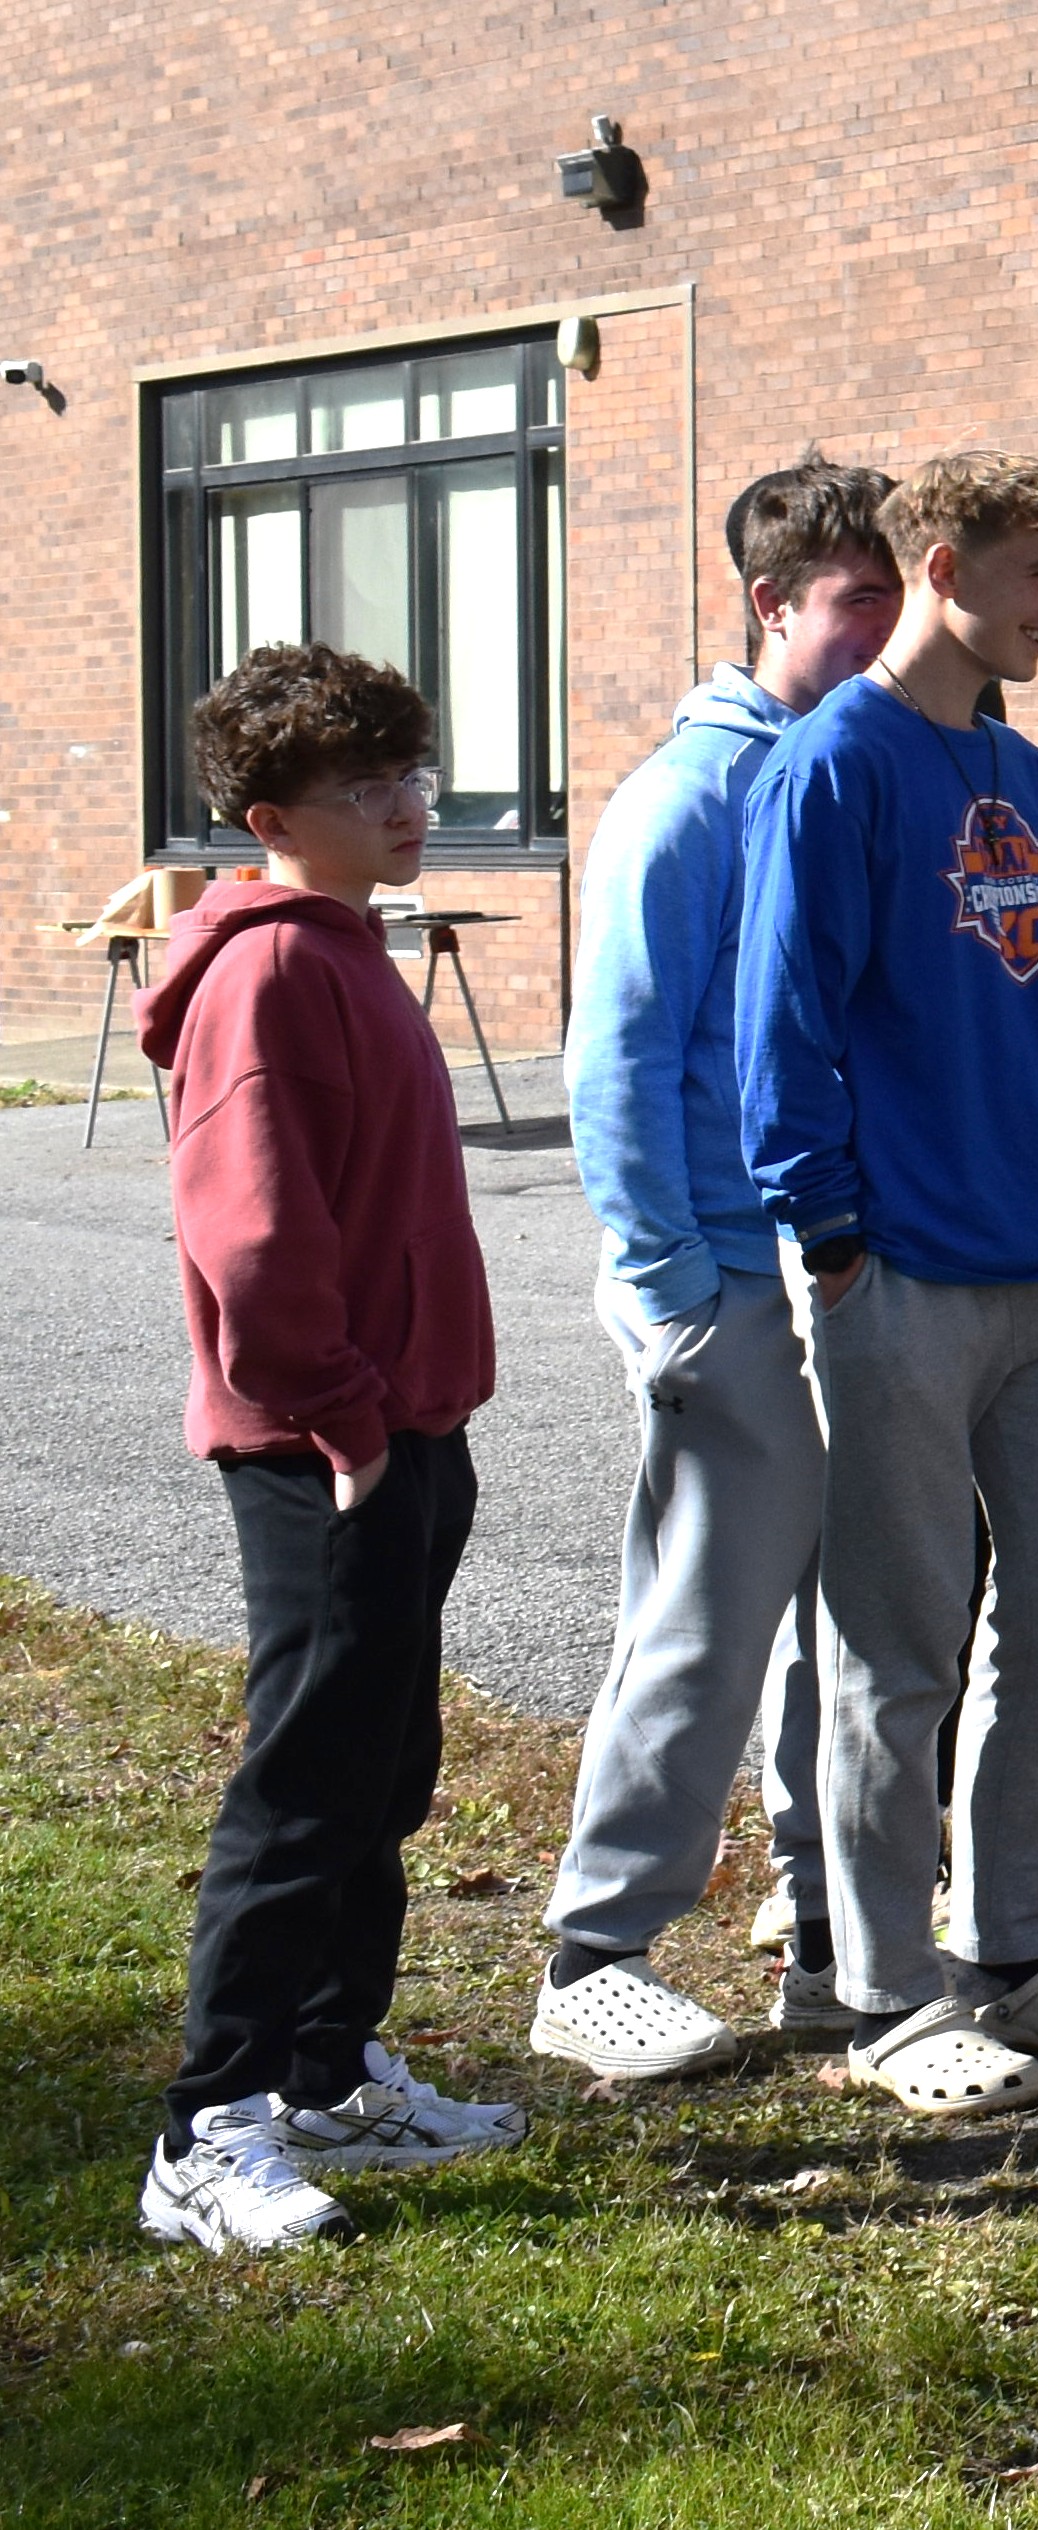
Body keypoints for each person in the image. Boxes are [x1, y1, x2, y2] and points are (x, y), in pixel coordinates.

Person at [733, 449, 1038, 2116]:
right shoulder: (834, 765)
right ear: (944, 562)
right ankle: (880, 1992)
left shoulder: (1020, 769)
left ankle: (1005, 1947)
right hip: (901, 1270)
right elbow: (781, 1026)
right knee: (893, 1647)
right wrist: (831, 1236)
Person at [135, 643, 522, 2250]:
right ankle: (206, 2130)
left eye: (412, 773)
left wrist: (411, 1411)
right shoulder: (270, 969)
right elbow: (253, 1233)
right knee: (305, 1782)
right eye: (369, 788)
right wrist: (343, 1411)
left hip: (403, 1426)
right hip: (323, 1443)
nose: (407, 805)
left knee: (383, 1769)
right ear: (270, 810)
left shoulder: (353, 945)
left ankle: (327, 2073)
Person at [535, 457, 897, 2082]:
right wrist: (670, 1282)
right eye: (858, 602)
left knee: (854, 1628)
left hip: (846, 1276)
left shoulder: (852, 772)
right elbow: (614, 1057)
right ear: (772, 602)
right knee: (703, 1617)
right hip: (731, 1285)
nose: (889, 629)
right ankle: (592, 1953)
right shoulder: (688, 798)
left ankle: (829, 1937)